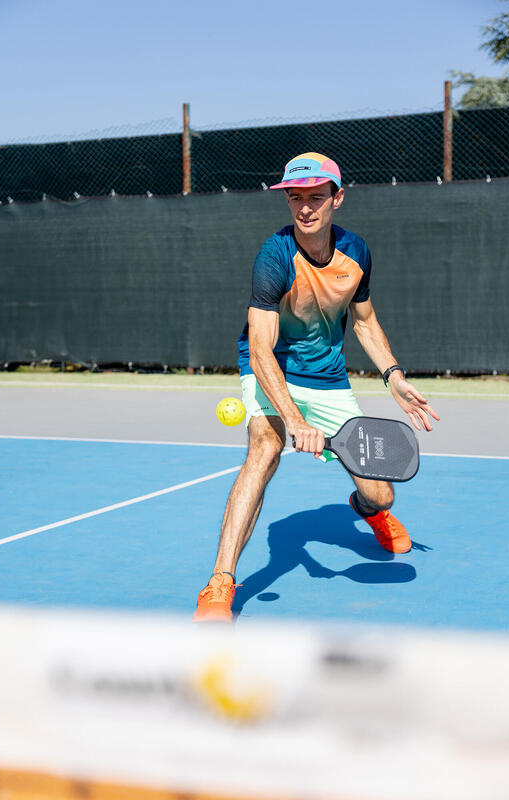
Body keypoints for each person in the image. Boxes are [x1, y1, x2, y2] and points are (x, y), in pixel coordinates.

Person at [193, 152, 440, 623]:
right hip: (271, 368)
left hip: (327, 376)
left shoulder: (356, 252)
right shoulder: (274, 256)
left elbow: (365, 322)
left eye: (316, 198)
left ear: (337, 198)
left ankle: (366, 509)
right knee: (263, 449)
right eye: (296, 198)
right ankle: (220, 581)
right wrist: (293, 422)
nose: (305, 208)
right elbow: (262, 349)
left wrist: (393, 376)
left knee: (382, 494)